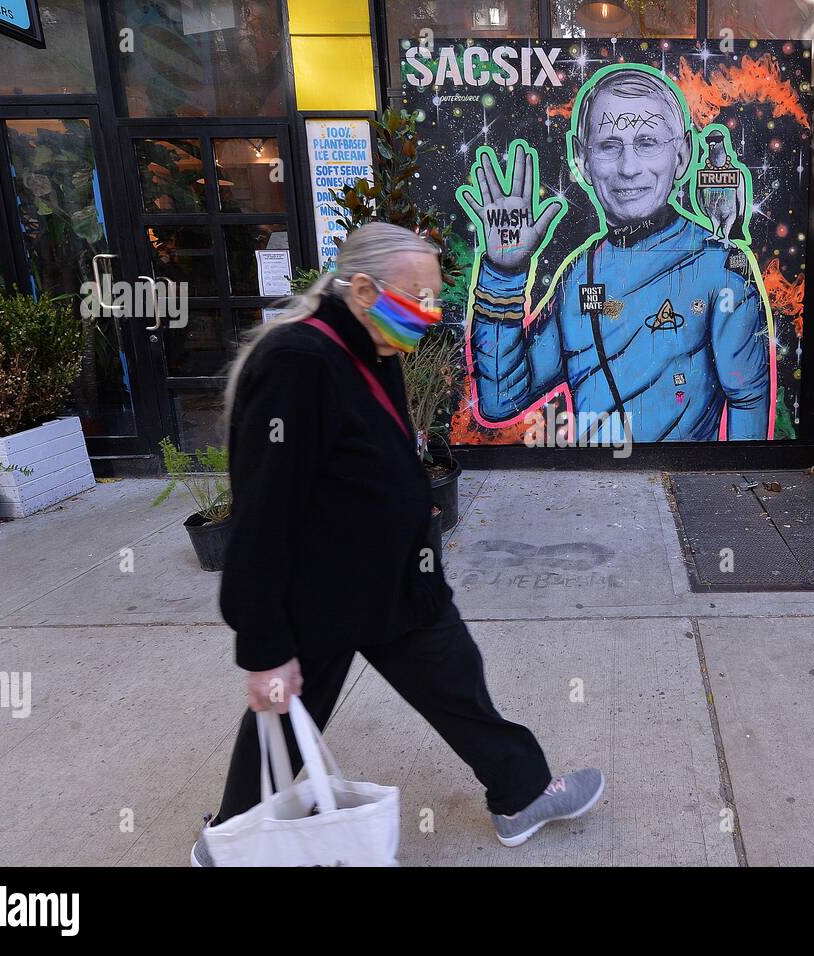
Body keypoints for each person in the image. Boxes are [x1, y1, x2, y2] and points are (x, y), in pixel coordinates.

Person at [192, 222, 603, 865]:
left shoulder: (372, 348)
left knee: (457, 683)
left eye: (436, 298)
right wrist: (266, 648)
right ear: (362, 288)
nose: (432, 314)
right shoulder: (297, 363)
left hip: (396, 589)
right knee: (283, 722)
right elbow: (260, 520)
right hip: (322, 601)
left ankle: (520, 794)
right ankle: (232, 842)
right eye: (420, 298)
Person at [458, 65, 774, 444]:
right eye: (609, 146)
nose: (628, 168)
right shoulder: (579, 275)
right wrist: (503, 273)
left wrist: (731, 496)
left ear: (683, 155)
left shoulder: (721, 268)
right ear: (582, 158)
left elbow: (749, 401)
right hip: (594, 494)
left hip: (681, 493)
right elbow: (501, 400)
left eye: (648, 143)